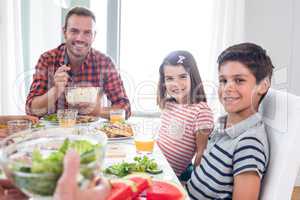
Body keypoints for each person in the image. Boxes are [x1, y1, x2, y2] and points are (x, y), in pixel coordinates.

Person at [186, 43, 274, 199]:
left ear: (262, 85)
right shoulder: (222, 124)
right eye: (223, 80)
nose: (227, 88)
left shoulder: (249, 144)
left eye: (239, 80)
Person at [25, 6, 131, 119]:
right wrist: (56, 90)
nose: (80, 38)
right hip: (54, 133)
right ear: (64, 32)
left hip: (92, 135)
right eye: (74, 31)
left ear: (94, 36)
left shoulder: (104, 63)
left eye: (87, 33)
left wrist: (98, 111)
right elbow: (31, 110)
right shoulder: (47, 60)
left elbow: (126, 110)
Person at [156, 50, 214, 181]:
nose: (176, 83)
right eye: (169, 78)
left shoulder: (201, 111)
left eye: (182, 76)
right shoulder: (169, 104)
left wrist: (195, 185)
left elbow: (201, 154)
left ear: (192, 77)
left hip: (169, 177)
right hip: (155, 164)